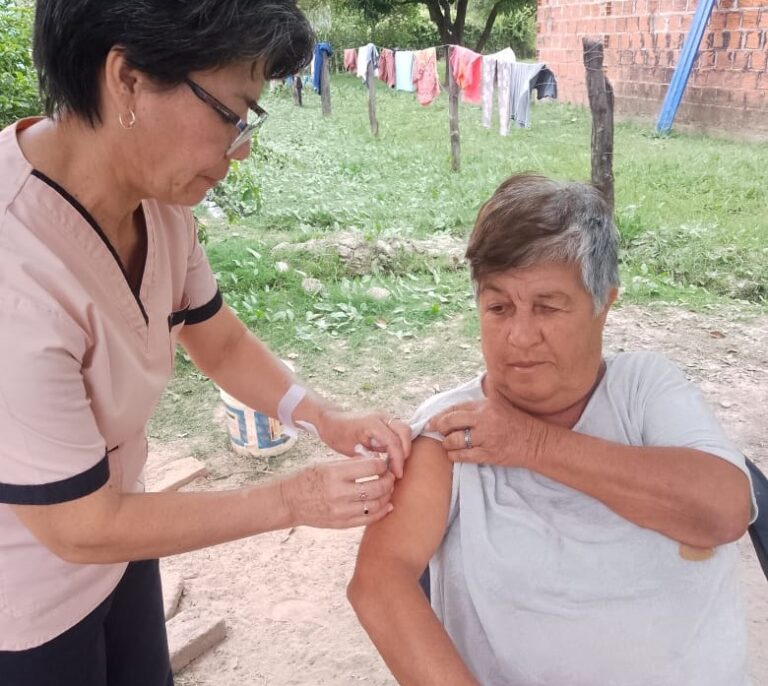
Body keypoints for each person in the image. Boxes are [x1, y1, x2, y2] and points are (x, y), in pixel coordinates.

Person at [0, 1, 411, 683]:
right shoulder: (16, 273)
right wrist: (290, 500)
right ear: (128, 78)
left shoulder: (155, 201)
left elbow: (214, 339)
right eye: (232, 112)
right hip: (24, 603)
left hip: (121, 548)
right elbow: (77, 527)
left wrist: (320, 414)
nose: (241, 146)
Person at [348, 173, 756, 686]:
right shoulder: (451, 431)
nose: (518, 336)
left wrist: (530, 443)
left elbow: (724, 512)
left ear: (603, 304)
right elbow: (379, 583)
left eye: (547, 306)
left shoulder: (644, 389)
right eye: (498, 307)